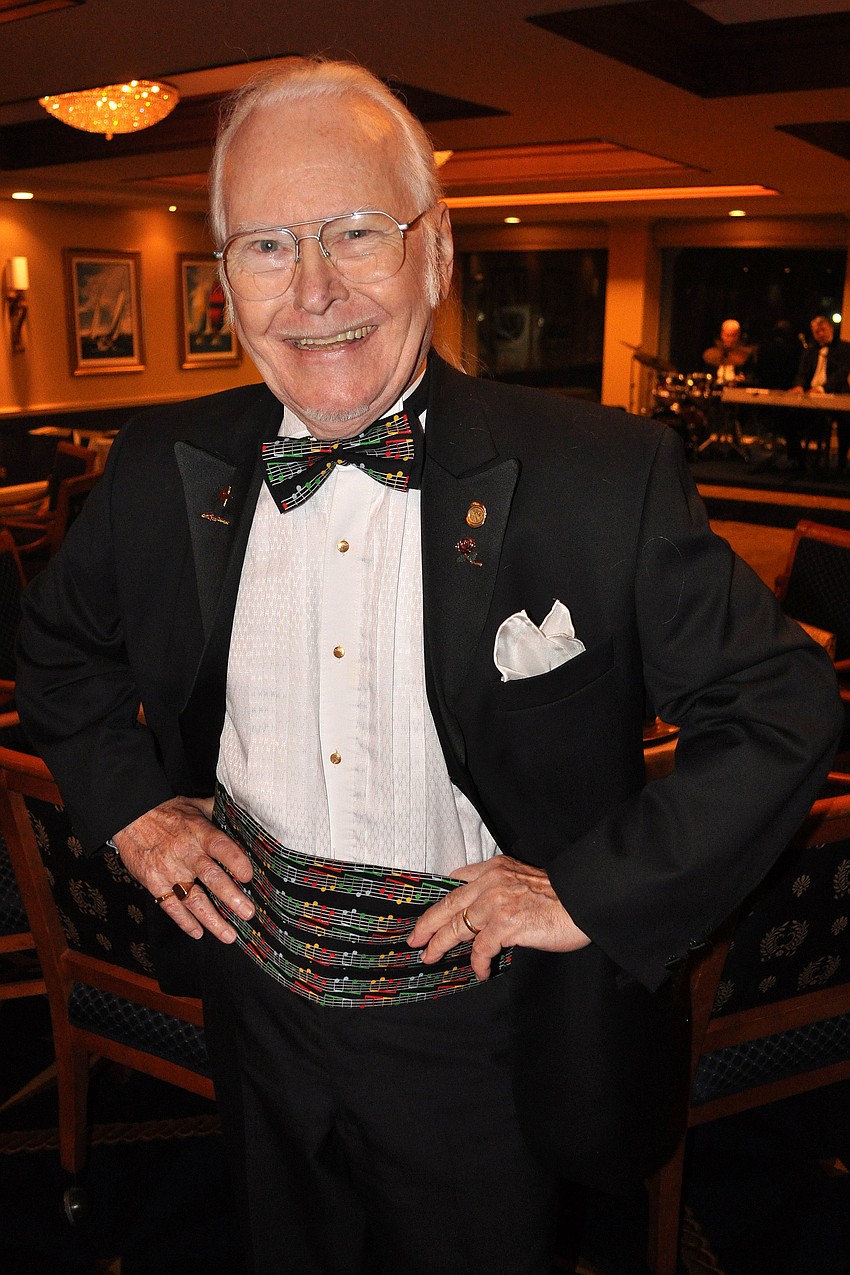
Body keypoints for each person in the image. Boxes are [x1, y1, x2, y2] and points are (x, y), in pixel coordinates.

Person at [15, 58, 843, 1275]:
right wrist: (130, 804)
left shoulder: (597, 476)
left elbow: (780, 709)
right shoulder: (161, 467)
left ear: (436, 252)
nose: (315, 293)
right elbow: (57, 648)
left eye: (356, 233)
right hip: (254, 1002)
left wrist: (582, 892)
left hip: (488, 1028)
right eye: (267, 248)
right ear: (226, 276)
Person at [790, 314, 850, 471]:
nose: (820, 334)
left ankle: (842, 462)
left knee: (846, 421)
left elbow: (841, 373)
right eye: (816, 332)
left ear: (830, 328)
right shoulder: (810, 350)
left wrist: (822, 389)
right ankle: (799, 458)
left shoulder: (844, 348)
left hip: (836, 394)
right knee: (790, 415)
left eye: (822, 330)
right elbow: (802, 373)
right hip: (810, 394)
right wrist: (799, 386)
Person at [702, 317, 755, 384]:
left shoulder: (746, 356)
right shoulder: (713, 354)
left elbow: (750, 378)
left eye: (733, 336)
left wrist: (741, 380)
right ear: (722, 335)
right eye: (727, 335)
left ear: (738, 335)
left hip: (735, 391)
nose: (730, 339)